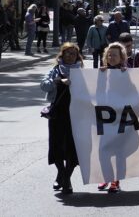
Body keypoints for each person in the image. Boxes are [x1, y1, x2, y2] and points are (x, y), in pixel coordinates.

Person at [40, 43, 83, 195]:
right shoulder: (55, 70)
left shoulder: (82, 72)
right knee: (57, 146)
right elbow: (44, 86)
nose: (70, 56)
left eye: (73, 53)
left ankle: (66, 178)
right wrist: (57, 81)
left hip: (76, 115)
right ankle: (61, 173)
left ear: (77, 56)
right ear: (62, 55)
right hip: (58, 114)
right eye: (67, 53)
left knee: (72, 148)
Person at [97, 42, 128, 192]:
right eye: (109, 55)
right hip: (105, 118)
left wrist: (126, 76)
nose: (111, 57)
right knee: (103, 151)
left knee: (118, 152)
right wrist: (100, 76)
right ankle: (106, 178)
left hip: (121, 118)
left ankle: (116, 181)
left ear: (121, 57)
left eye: (115, 55)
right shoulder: (101, 72)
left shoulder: (126, 73)